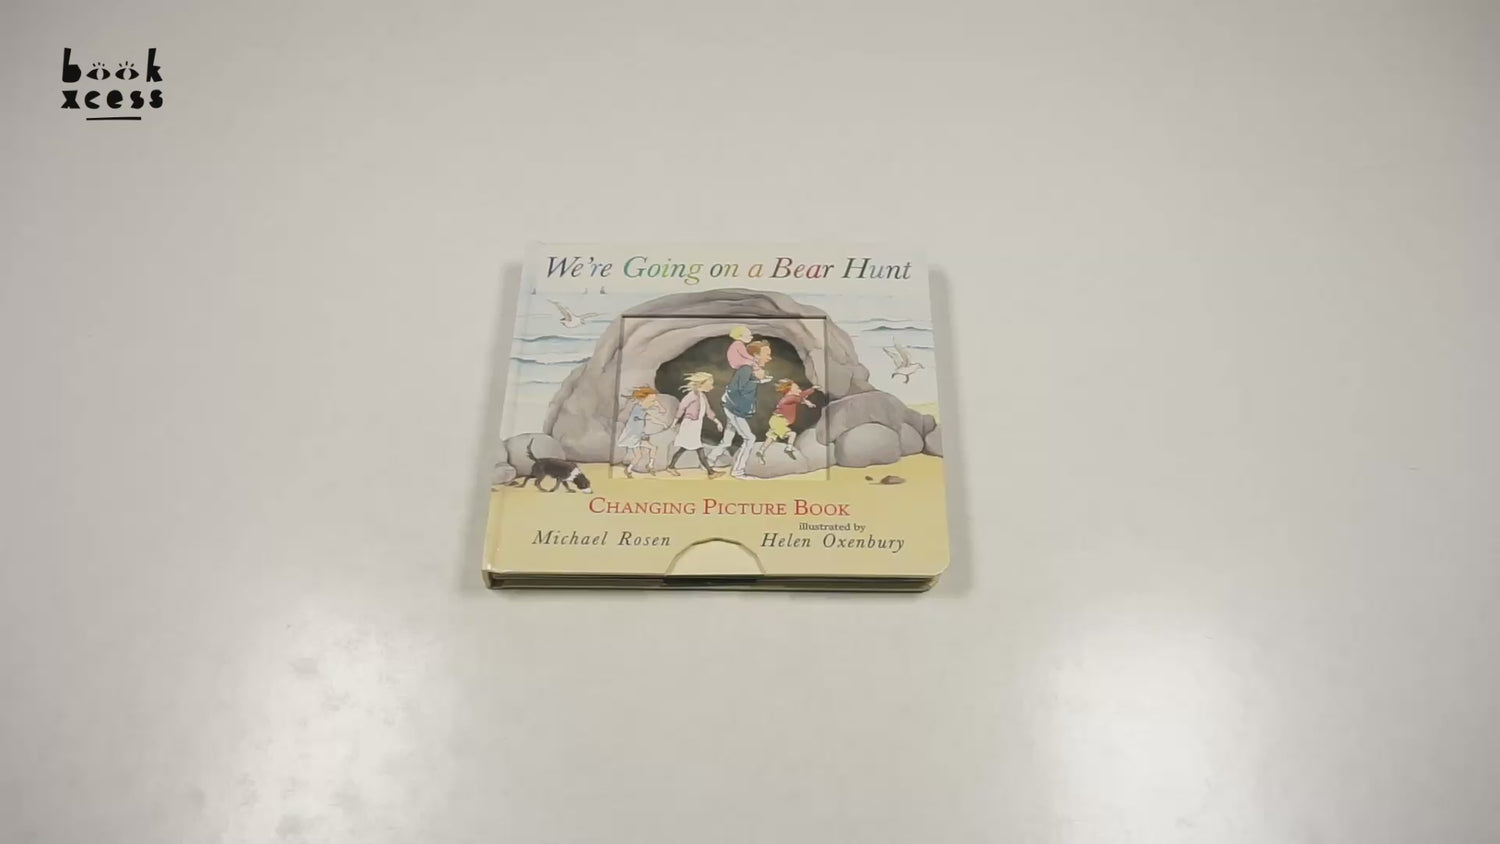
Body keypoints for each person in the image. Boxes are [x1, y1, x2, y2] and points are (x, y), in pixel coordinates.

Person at [709, 340, 772, 479]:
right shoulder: (746, 369)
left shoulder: (749, 369)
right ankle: (738, 471)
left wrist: (758, 380)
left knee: (727, 439)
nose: (769, 358)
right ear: (755, 355)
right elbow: (735, 390)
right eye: (767, 354)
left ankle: (709, 460)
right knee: (749, 439)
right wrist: (756, 380)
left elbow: (743, 385)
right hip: (734, 410)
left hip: (732, 408)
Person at [665, 372, 724, 477]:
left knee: (685, 447)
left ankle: (671, 467)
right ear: (702, 384)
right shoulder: (691, 396)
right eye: (710, 384)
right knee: (698, 447)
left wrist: (717, 421)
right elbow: (681, 407)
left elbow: (708, 411)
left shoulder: (702, 396)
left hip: (696, 425)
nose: (712, 387)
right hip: (689, 425)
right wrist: (675, 421)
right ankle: (711, 472)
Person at [757, 380, 821, 462]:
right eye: (797, 388)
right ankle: (788, 448)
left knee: (771, 436)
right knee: (792, 434)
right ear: (790, 390)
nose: (799, 390)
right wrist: (808, 397)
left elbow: (801, 396)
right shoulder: (789, 398)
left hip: (776, 420)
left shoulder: (790, 398)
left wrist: (811, 391)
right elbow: (800, 397)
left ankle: (761, 451)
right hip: (779, 421)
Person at [615, 386, 667, 477]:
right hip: (633, 436)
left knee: (651, 449)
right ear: (644, 399)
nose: (652, 402)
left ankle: (649, 465)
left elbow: (650, 416)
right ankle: (630, 469)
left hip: (638, 436)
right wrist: (658, 405)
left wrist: (662, 422)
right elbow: (644, 417)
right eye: (651, 399)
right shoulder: (638, 408)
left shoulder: (642, 409)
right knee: (639, 455)